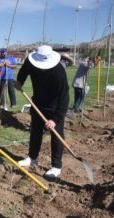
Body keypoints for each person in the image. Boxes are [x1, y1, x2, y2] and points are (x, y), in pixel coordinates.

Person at [16, 45, 69, 179]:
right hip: (37, 103)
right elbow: (23, 71)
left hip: (55, 107)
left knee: (57, 136)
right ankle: (33, 157)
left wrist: (55, 119)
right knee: (35, 131)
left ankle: (56, 166)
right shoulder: (31, 61)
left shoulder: (58, 71)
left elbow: (64, 97)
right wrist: (19, 82)